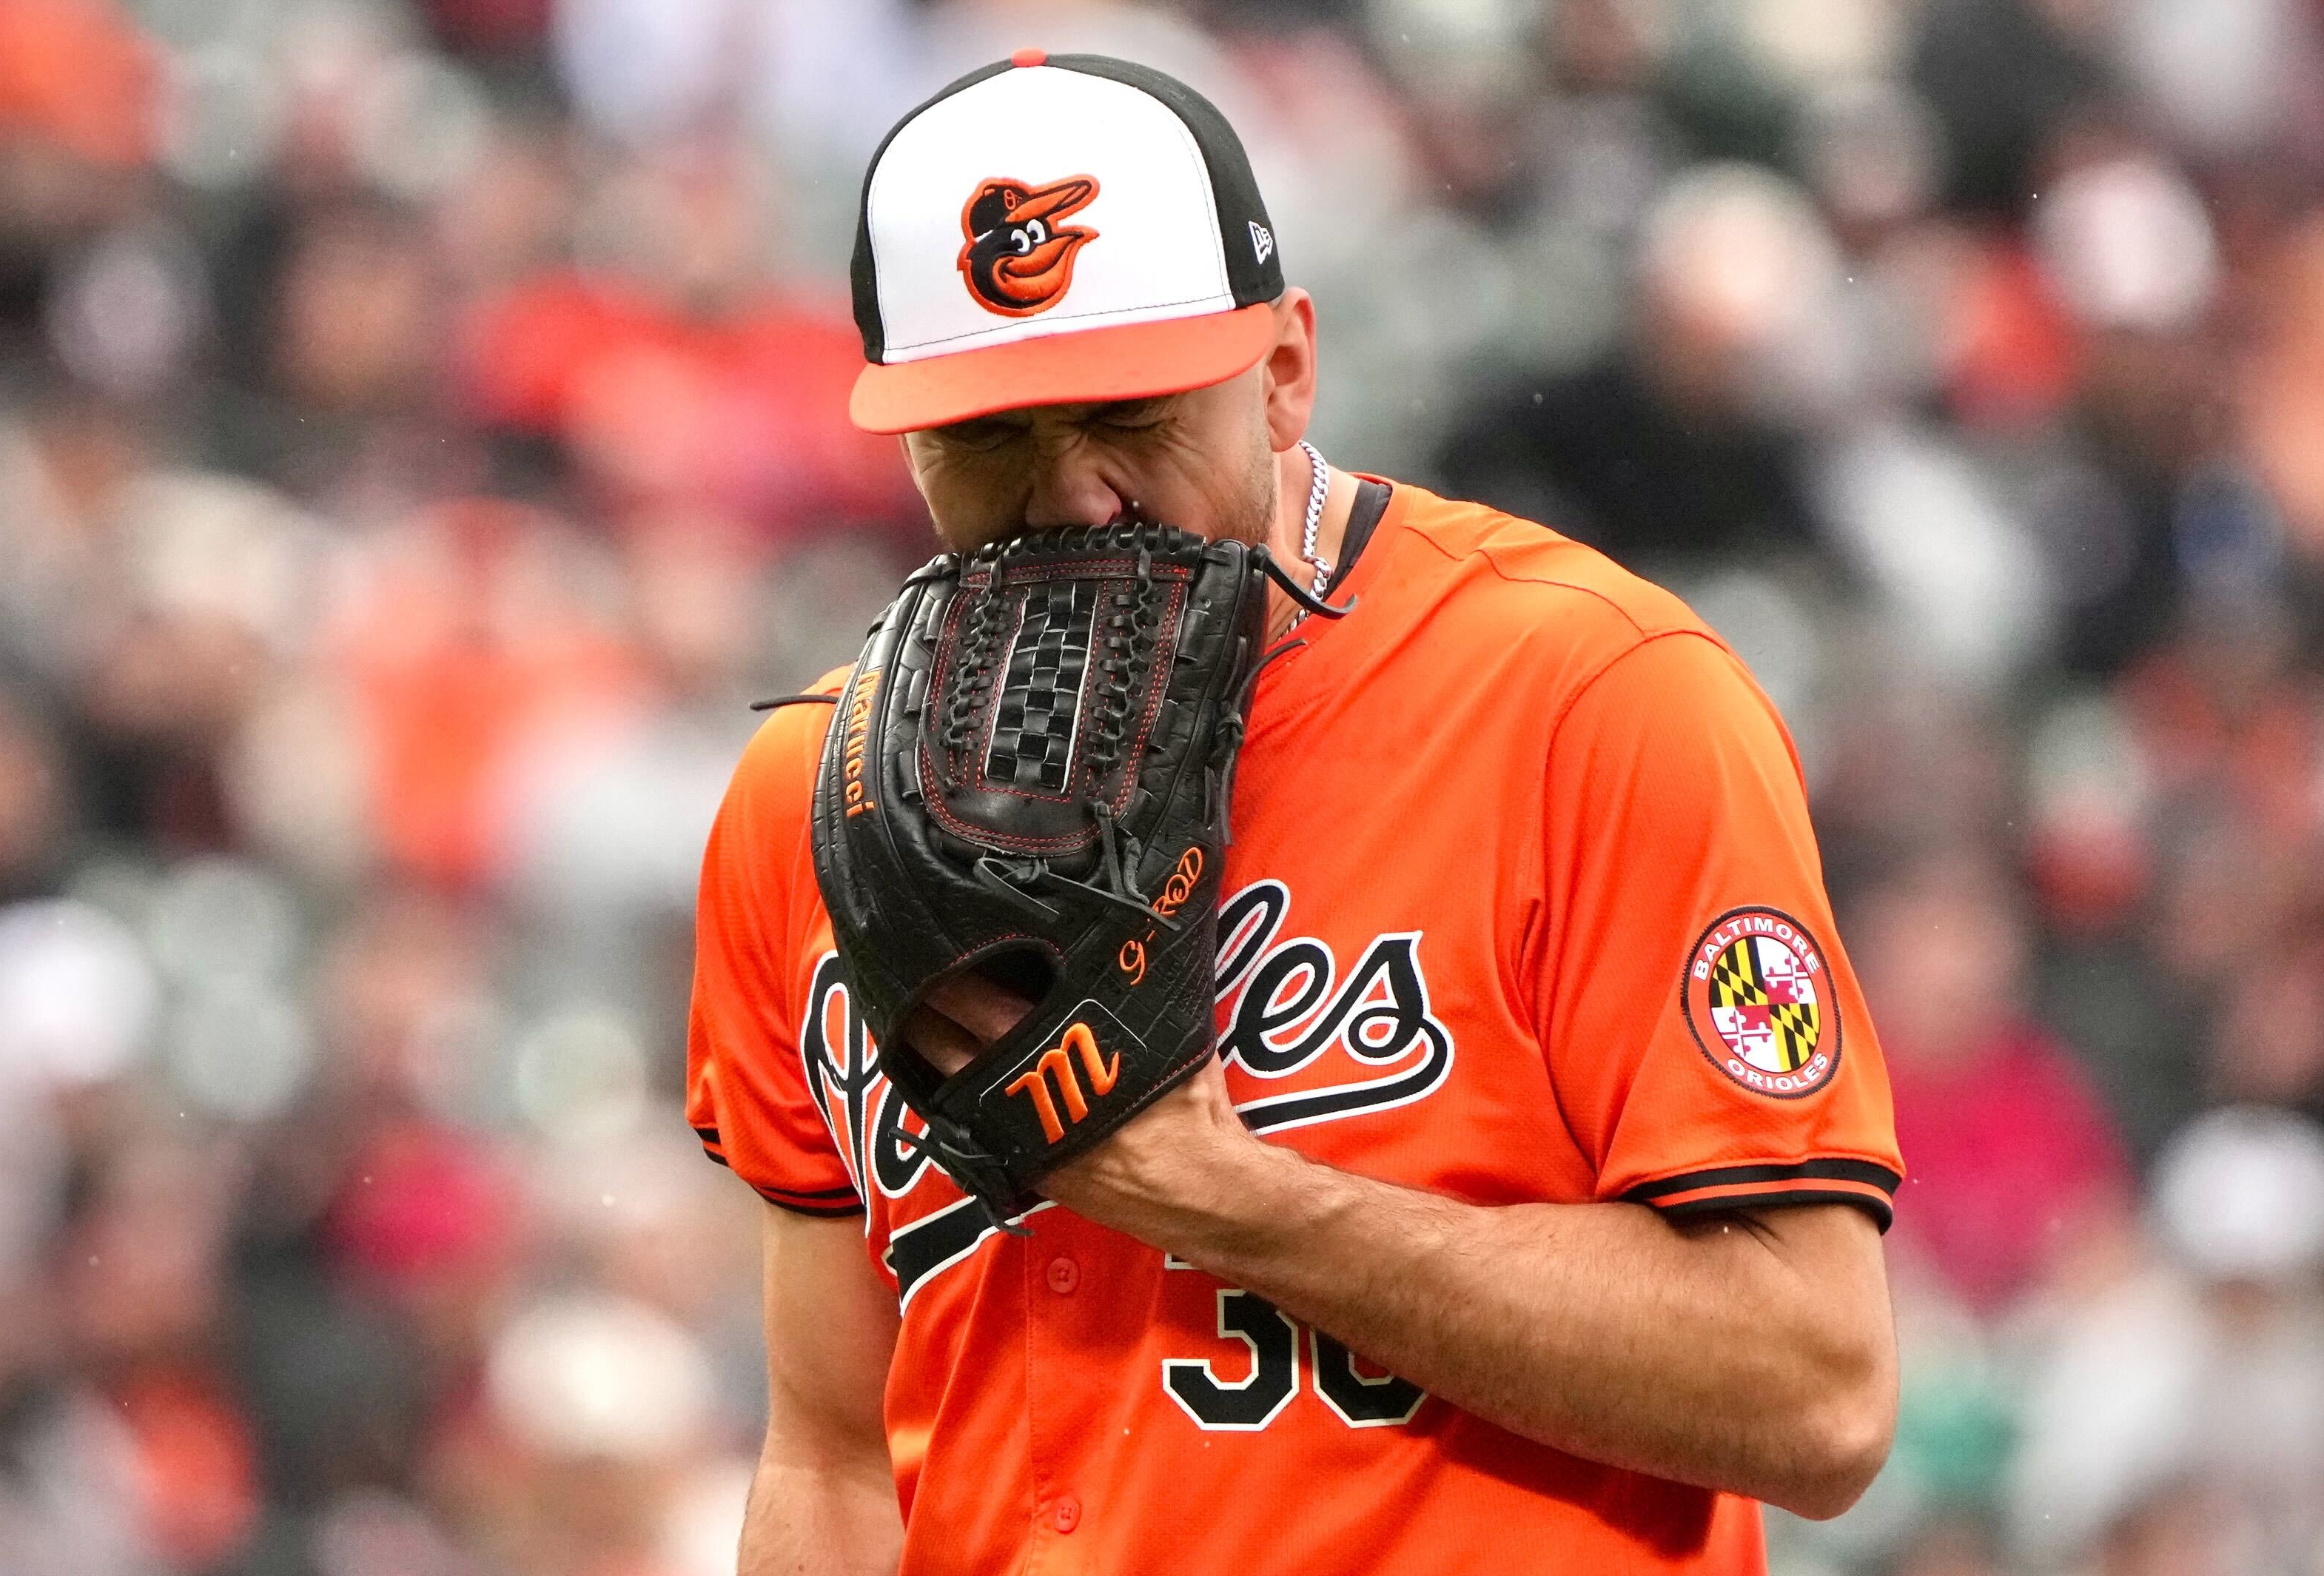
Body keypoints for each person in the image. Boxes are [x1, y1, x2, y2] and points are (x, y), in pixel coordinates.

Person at [688, 51, 1902, 1576]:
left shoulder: (1593, 701)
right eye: (989, 434)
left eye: (1127, 414)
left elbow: (1816, 1394)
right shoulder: (812, 798)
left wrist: (1218, 1197)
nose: (1071, 494)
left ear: (1281, 374)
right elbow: (831, 1463)